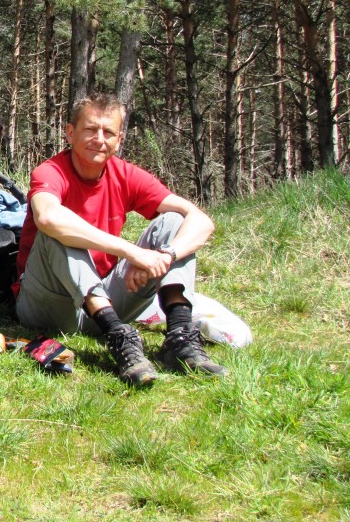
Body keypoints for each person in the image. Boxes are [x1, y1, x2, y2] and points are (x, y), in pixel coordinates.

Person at [14, 92, 225, 387]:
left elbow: (201, 221)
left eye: (108, 132)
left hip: (108, 297)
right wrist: (131, 252)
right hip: (49, 303)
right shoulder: (50, 172)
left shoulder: (125, 175)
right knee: (57, 228)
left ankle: (179, 338)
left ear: (119, 139)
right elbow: (48, 217)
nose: (99, 139)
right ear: (70, 132)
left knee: (175, 222)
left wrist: (165, 256)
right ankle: (118, 336)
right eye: (89, 129)